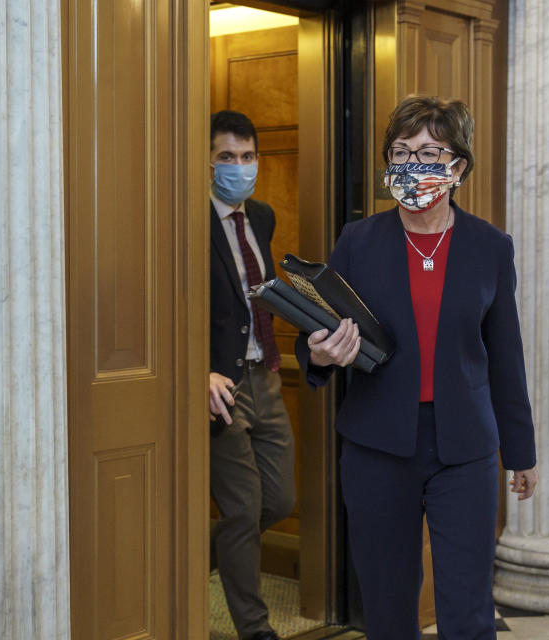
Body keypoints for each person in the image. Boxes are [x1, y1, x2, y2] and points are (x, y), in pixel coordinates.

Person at [296, 96, 538, 639]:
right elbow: (318, 326)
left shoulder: (489, 247)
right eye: (400, 153)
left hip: (466, 449)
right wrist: (317, 353)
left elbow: (506, 355)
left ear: (457, 167)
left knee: (468, 605)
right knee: (386, 601)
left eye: (428, 152)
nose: (411, 166)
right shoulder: (358, 241)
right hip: (377, 444)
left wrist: (520, 453)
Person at [208, 109, 294, 640]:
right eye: (226, 157)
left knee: (279, 501)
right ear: (207, 160)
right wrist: (197, 370)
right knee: (242, 510)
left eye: (246, 157)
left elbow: (259, 290)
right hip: (222, 386)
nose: (238, 167)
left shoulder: (260, 216)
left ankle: (204, 551)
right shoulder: (185, 218)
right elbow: (169, 305)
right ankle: (256, 629)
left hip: (266, 376)